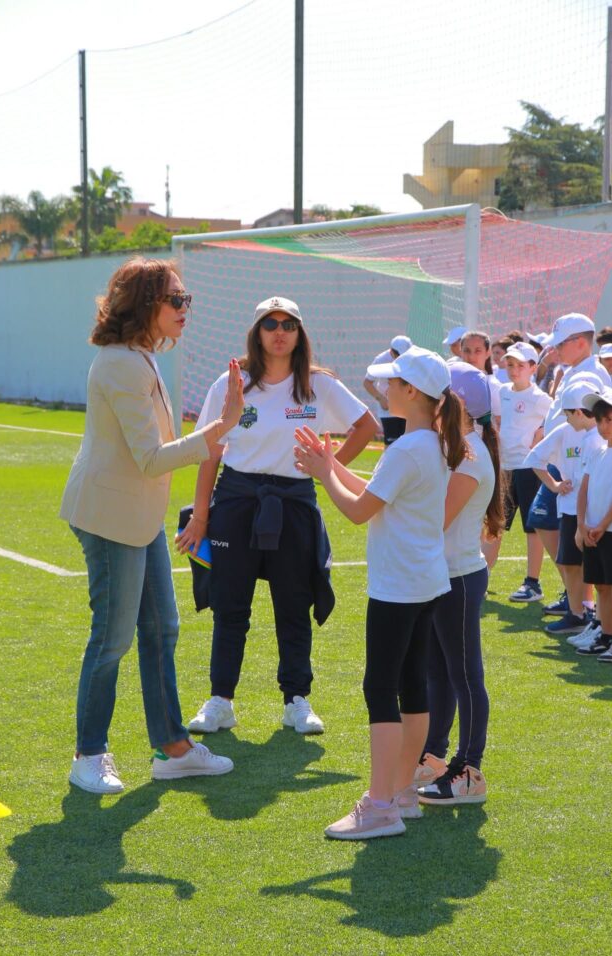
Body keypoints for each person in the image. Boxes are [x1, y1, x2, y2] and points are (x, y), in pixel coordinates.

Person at [60, 256, 245, 794]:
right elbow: (149, 458)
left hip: (136, 518)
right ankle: (89, 753)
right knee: (112, 639)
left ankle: (173, 747)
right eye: (177, 300)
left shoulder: (140, 356)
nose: (186, 308)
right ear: (146, 305)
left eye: (186, 299)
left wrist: (221, 426)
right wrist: (218, 431)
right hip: (111, 517)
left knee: (161, 628)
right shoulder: (120, 362)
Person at [179, 296, 377, 736]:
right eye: (271, 323)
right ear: (257, 332)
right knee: (230, 605)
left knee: (293, 604)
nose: (280, 331)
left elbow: (367, 426)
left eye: (289, 323)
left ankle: (296, 700)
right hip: (236, 500)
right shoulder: (231, 383)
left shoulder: (318, 384)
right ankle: (220, 700)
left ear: (300, 332)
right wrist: (201, 515)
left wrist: (326, 469)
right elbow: (209, 453)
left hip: (293, 502)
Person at [294, 346, 467, 839]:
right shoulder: (426, 443)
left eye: (393, 382)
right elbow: (378, 493)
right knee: (411, 685)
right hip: (422, 582)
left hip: (400, 587)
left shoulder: (410, 447)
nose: (385, 388)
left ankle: (380, 806)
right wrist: (331, 464)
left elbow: (358, 510)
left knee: (381, 688)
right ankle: (400, 795)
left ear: (412, 392)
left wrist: (324, 471)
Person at [416, 362, 503, 805]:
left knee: (465, 675)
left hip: (460, 578)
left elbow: (437, 519)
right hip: (441, 576)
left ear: (458, 404)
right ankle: (433, 756)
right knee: (439, 673)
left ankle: (469, 770)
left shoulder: (472, 454)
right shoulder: (457, 447)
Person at [523, 378, 604, 636]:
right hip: (569, 510)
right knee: (570, 564)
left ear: (579, 412)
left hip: (594, 514)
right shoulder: (564, 432)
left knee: (595, 570)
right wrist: (555, 485)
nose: (566, 419)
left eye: (568, 414)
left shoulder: (600, 436)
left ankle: (592, 617)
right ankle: (578, 613)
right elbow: (534, 458)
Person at [496, 341, 552, 601]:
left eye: (520, 365)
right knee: (495, 522)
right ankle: (478, 575)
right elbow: (499, 421)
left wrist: (539, 436)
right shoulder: (503, 392)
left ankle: (533, 583)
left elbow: (553, 425)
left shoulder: (541, 399)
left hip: (528, 468)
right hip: (505, 467)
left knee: (532, 528)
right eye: (510, 364)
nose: (514, 370)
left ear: (533, 368)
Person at [575, 386, 612, 662]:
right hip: (594, 531)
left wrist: (603, 525)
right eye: (599, 420)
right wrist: (582, 525)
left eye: (610, 420)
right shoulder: (597, 453)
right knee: (603, 586)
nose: (603, 426)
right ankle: (606, 636)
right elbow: (584, 490)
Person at [363, 334, 412, 445]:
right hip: (389, 410)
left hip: (407, 408)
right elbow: (367, 383)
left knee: (408, 444)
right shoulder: (381, 359)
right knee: (391, 445)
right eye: (399, 355)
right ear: (392, 352)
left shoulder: (411, 359)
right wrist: (381, 399)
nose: (402, 358)